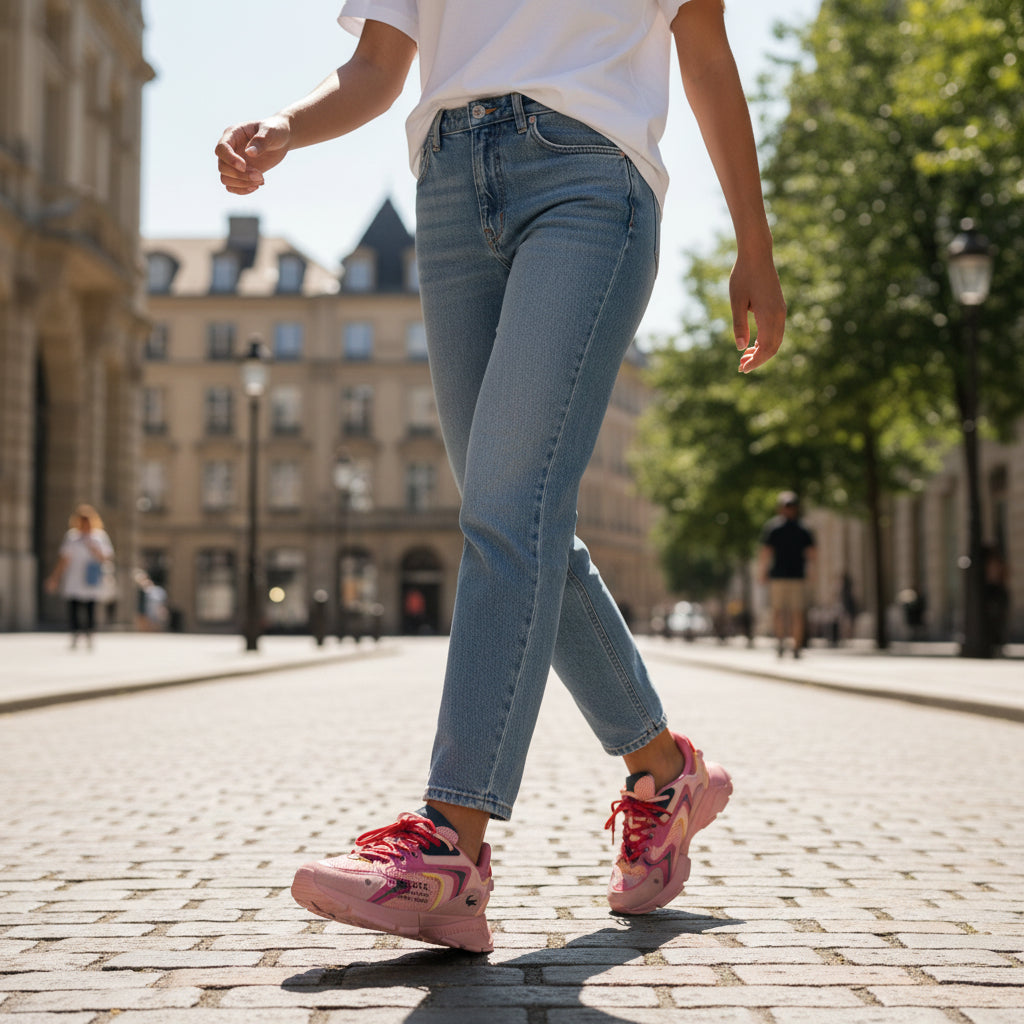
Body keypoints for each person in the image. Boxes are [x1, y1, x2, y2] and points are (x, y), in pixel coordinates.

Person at [217, 0, 785, 953]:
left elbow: (708, 53)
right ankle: (666, 772)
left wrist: (754, 245)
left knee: (508, 511)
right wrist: (288, 126)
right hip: (446, 181)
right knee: (512, 518)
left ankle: (450, 851)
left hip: (590, 176)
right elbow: (378, 67)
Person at [44, 504, 115, 650]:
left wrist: (93, 548)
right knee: (74, 607)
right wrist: (55, 578)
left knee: (90, 607)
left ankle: (90, 634)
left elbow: (107, 557)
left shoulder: (99, 537)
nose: (85, 524)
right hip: (74, 578)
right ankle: (75, 634)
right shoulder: (72, 537)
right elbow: (63, 560)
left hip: (91, 577)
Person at [759, 491, 816, 658]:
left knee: (797, 612)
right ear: (780, 508)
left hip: (797, 576)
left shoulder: (803, 529)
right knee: (778, 612)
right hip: (778, 577)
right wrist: (762, 572)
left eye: (791, 506)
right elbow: (766, 552)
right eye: (786, 506)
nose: (788, 510)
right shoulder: (773, 528)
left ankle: (796, 646)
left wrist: (812, 572)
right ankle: (780, 644)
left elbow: (812, 554)